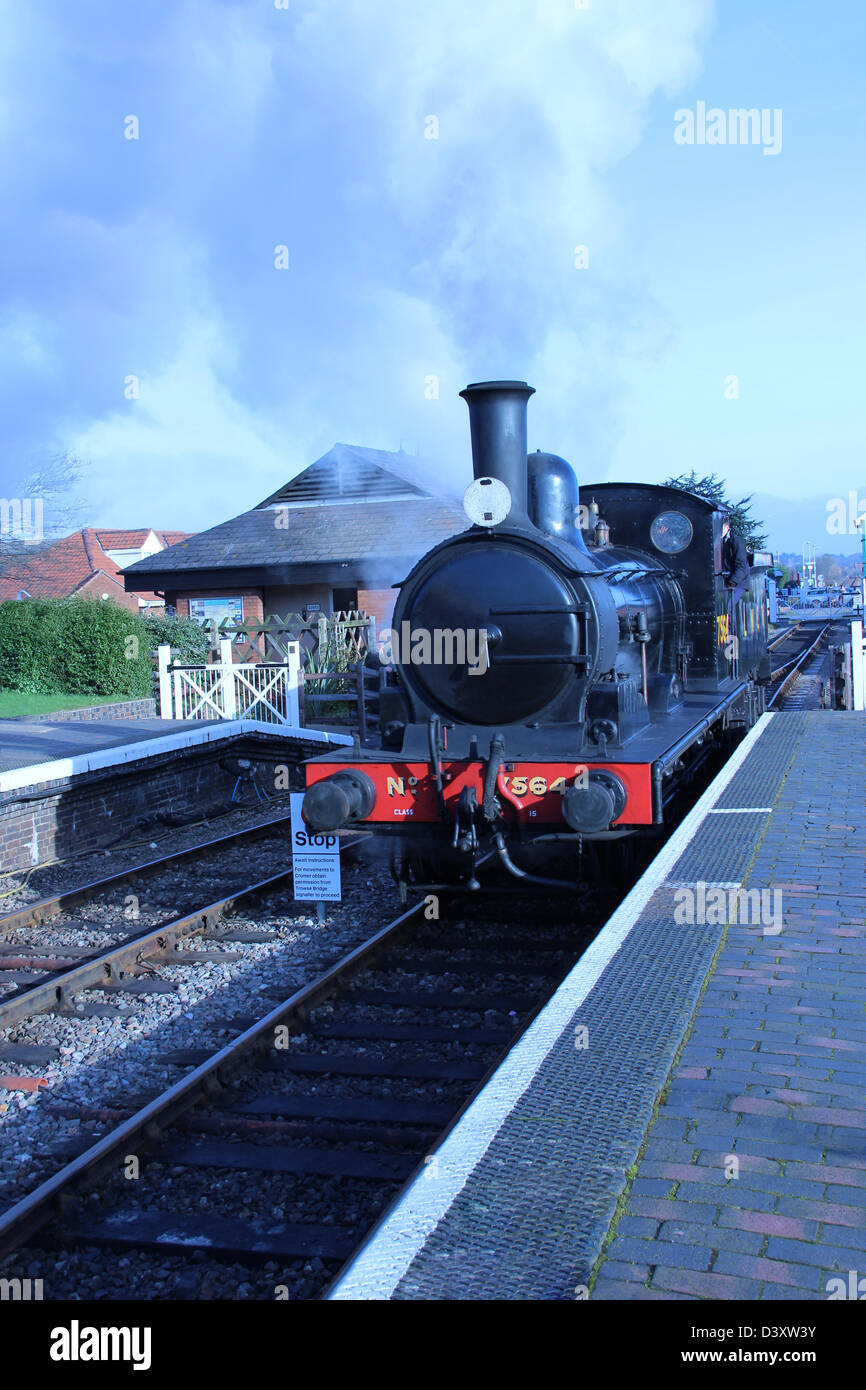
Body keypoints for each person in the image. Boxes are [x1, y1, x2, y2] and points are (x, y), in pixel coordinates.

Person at [721, 512, 749, 604]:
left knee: (728, 608)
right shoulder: (720, 541)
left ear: (727, 527)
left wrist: (733, 582)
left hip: (738, 583)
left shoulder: (736, 541)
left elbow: (741, 566)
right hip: (726, 582)